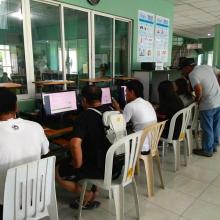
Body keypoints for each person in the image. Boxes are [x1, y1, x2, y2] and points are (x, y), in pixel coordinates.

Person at [55, 85, 112, 210]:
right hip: (112, 164)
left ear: (84, 100)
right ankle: (95, 190)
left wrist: (77, 165)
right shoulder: (110, 111)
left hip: (97, 167)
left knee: (57, 171)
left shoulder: (84, 117)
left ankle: (86, 195)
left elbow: (75, 144)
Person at [0, 88, 49, 219]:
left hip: (4, 203)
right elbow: (45, 151)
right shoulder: (36, 127)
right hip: (35, 196)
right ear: (16, 107)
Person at [179, 57, 220, 157]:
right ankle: (213, 146)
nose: (183, 72)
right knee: (215, 126)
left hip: (208, 103)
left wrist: (197, 100)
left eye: (183, 69)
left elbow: (198, 89)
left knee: (207, 128)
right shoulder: (206, 67)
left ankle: (207, 150)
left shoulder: (193, 74)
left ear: (188, 67)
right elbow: (219, 73)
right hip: (218, 100)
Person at [112, 80, 157, 154]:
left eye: (126, 92)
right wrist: (118, 109)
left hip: (141, 146)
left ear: (132, 92)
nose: (125, 94)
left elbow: (122, 123)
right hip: (152, 143)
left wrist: (116, 111)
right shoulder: (147, 102)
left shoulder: (130, 105)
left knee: (115, 133)